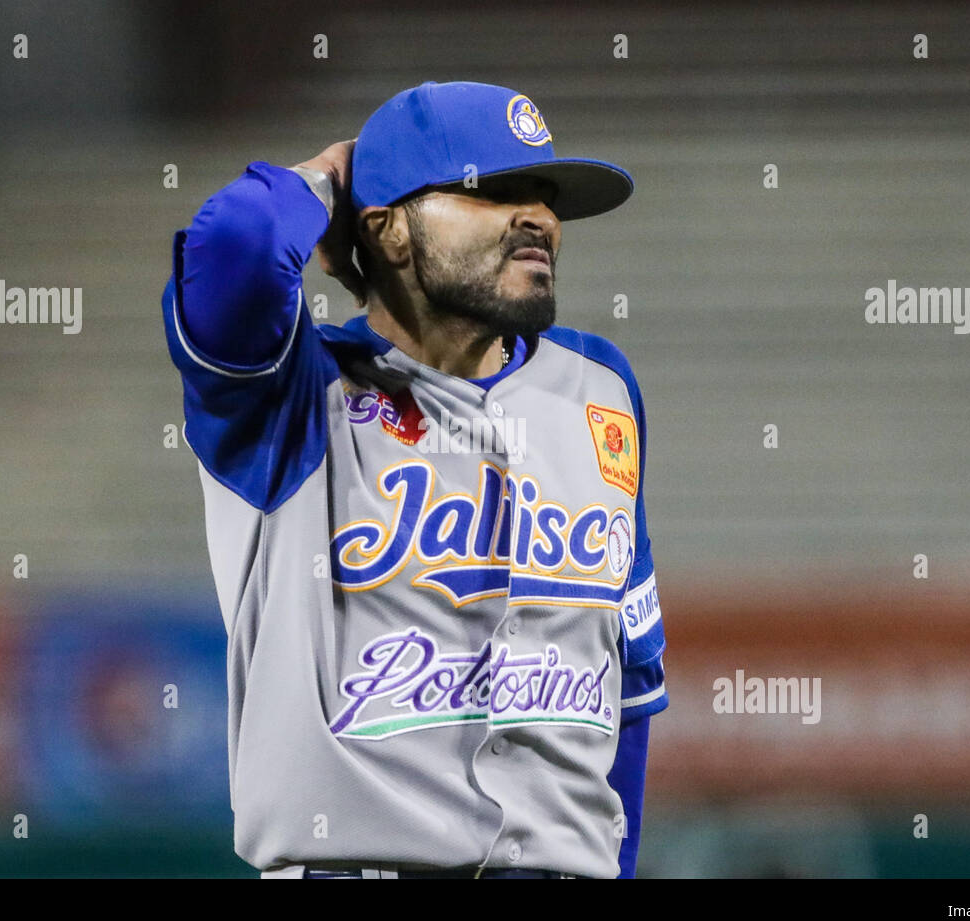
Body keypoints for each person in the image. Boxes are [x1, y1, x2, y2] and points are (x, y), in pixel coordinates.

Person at [161, 80, 668, 879]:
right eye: (494, 191)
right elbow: (235, 247)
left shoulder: (601, 384)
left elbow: (630, 685)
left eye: (544, 196)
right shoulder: (293, 391)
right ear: (386, 227)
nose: (538, 216)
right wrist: (329, 178)